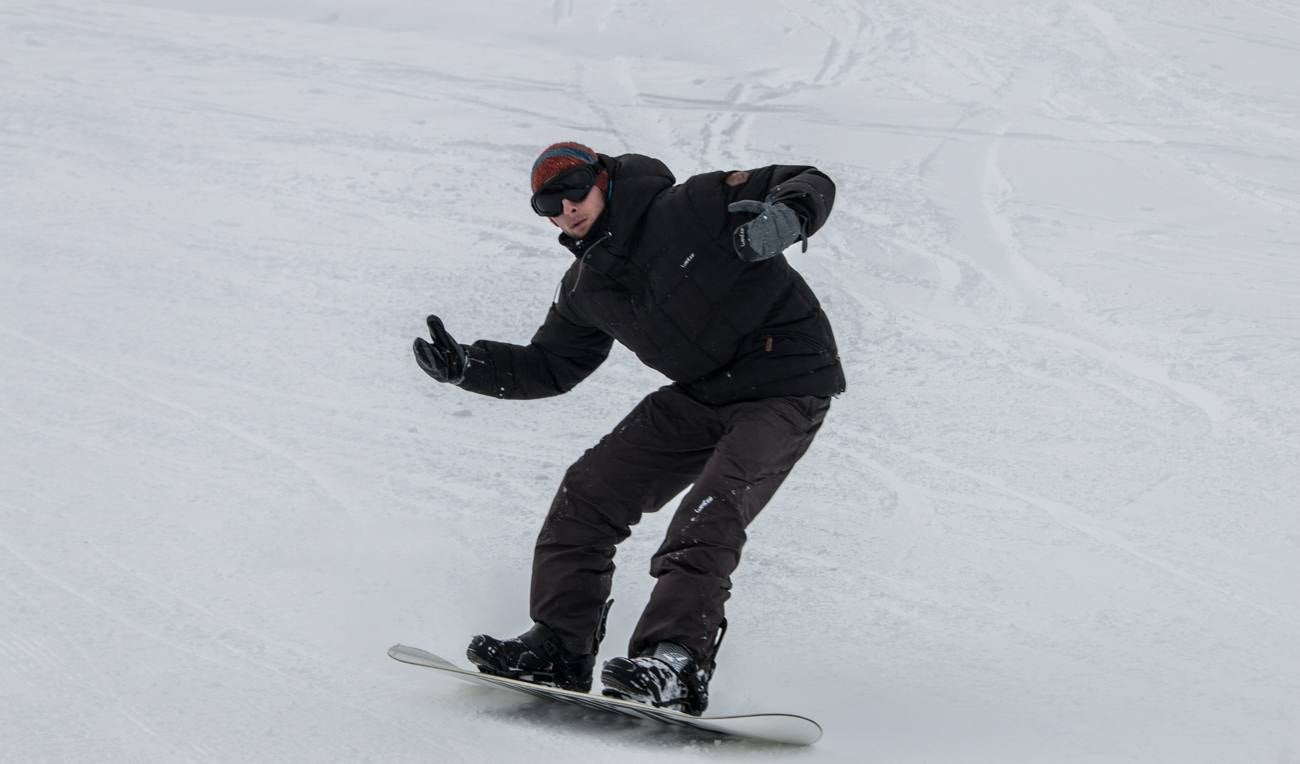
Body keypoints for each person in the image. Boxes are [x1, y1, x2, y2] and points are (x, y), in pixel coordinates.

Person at [413, 141, 844, 716]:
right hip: (702, 393)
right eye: (547, 203)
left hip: (786, 381)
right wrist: (469, 366)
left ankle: (675, 660)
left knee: (712, 508)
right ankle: (560, 648)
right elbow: (552, 364)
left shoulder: (688, 205)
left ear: (604, 179)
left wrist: (786, 216)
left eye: (573, 190)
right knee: (590, 491)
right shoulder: (589, 286)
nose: (565, 208)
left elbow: (804, 177)